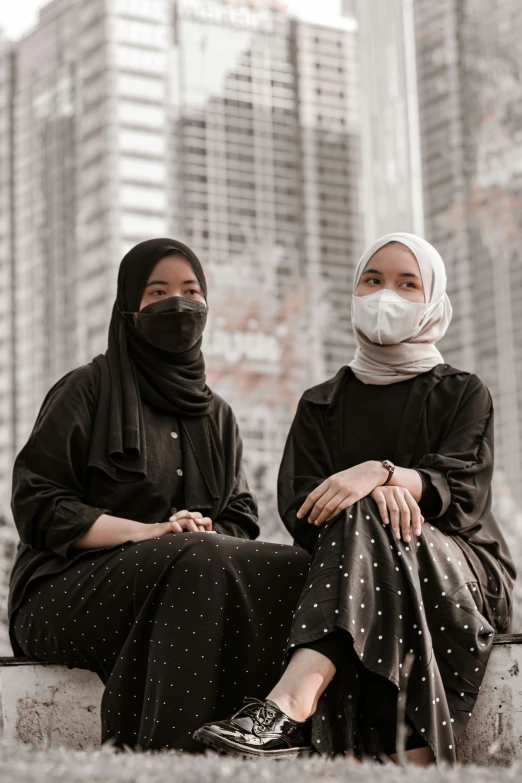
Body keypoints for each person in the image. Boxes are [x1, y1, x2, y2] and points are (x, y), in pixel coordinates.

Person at [193, 232, 516, 765]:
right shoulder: (321, 404)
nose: (385, 293)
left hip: (466, 570)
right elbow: (303, 509)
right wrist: (375, 502)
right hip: (356, 569)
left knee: (370, 509)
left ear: (433, 300)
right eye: (373, 279)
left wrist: (383, 475)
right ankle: (409, 748)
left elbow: (463, 495)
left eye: (406, 284)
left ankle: (288, 706)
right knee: (365, 518)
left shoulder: (462, 392)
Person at [8, 237, 310, 753]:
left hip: (187, 576)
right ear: (130, 309)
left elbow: (238, 517)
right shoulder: (87, 389)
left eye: (192, 292)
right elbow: (38, 505)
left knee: (295, 567)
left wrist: (198, 529)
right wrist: (153, 533)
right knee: (194, 556)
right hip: (62, 594)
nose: (179, 305)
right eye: (158, 292)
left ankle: (271, 738)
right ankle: (170, 749)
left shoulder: (217, 416)